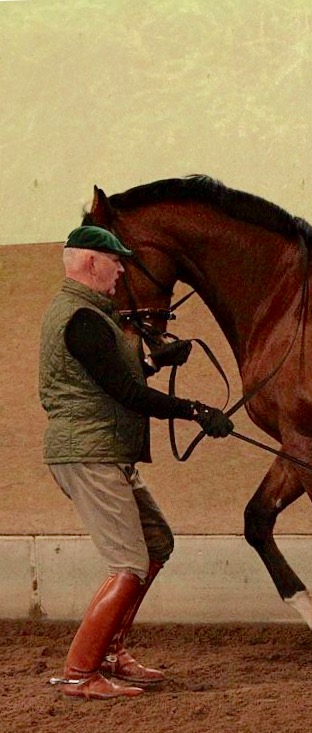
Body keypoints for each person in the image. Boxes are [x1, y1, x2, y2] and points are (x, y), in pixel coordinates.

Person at [39, 225, 234, 701]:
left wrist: (156, 364)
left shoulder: (92, 317)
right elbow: (124, 393)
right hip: (89, 453)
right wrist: (194, 410)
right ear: (90, 263)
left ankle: (109, 653)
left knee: (155, 543)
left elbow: (110, 376)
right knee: (128, 562)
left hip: (105, 449)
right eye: (116, 261)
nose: (122, 269)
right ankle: (79, 672)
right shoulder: (80, 318)